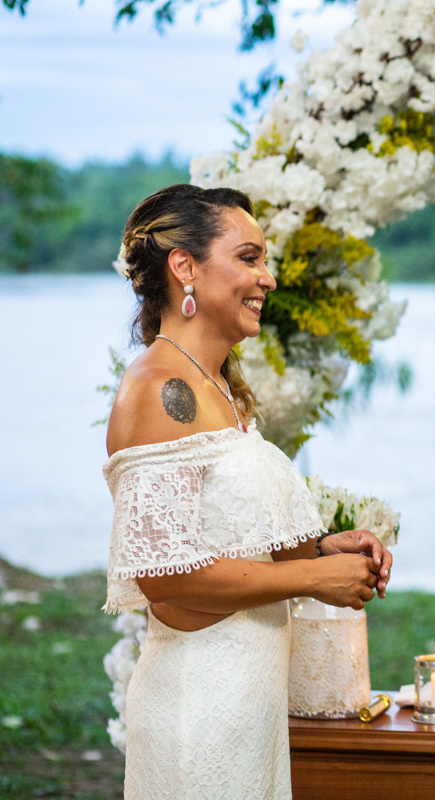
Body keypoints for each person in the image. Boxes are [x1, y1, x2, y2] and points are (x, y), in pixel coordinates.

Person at [103, 184, 394, 799]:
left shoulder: (219, 390)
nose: (268, 278)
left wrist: (326, 549)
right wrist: (314, 579)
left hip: (247, 712)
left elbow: (238, 542)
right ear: (185, 266)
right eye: (249, 257)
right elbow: (164, 578)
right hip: (197, 709)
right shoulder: (158, 389)